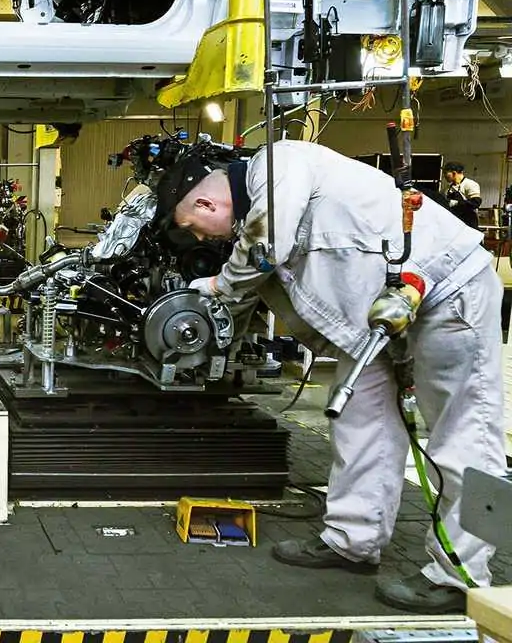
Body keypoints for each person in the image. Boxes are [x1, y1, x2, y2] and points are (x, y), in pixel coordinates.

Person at [156, 138, 507, 615]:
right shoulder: (262, 209)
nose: (202, 240)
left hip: (446, 291)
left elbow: (265, 245)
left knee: (463, 432)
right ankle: (353, 539)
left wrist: (219, 285)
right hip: (375, 321)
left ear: (205, 203)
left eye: (194, 228)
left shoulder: (277, 165)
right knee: (358, 420)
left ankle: (459, 575)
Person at [442, 161, 482, 229]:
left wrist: (456, 203)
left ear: (454, 173)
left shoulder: (469, 184)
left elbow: (476, 202)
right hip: (453, 223)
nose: (444, 176)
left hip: (468, 223)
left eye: (446, 173)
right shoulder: (447, 189)